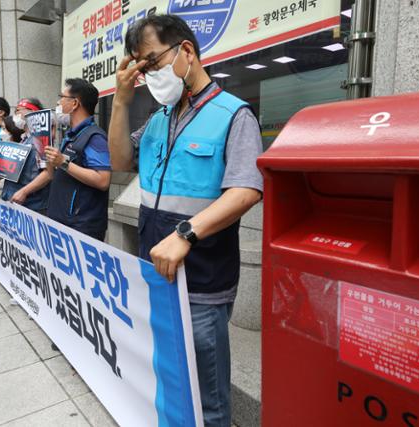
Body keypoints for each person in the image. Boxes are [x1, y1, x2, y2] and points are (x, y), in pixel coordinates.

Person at [108, 15, 263, 426]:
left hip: (202, 281)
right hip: (156, 273)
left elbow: (246, 189)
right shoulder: (159, 119)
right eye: (141, 68)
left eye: (152, 62)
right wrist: (121, 101)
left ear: (186, 52)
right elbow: (121, 160)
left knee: (208, 394)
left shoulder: (234, 115)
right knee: (171, 377)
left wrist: (186, 233)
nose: (148, 75)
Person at [45, 78, 112, 241]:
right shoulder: (70, 136)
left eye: (62, 97)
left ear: (74, 103)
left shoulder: (95, 137)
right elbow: (54, 175)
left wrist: (63, 162)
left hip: (81, 226)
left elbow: (103, 180)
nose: (58, 102)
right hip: (60, 219)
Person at [0, 98, 51, 214]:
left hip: (33, 206)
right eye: (15, 111)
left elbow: (47, 174)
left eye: (19, 111)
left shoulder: (40, 139)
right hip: (16, 202)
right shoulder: (24, 139)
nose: (16, 115)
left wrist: (24, 192)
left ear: (33, 113)